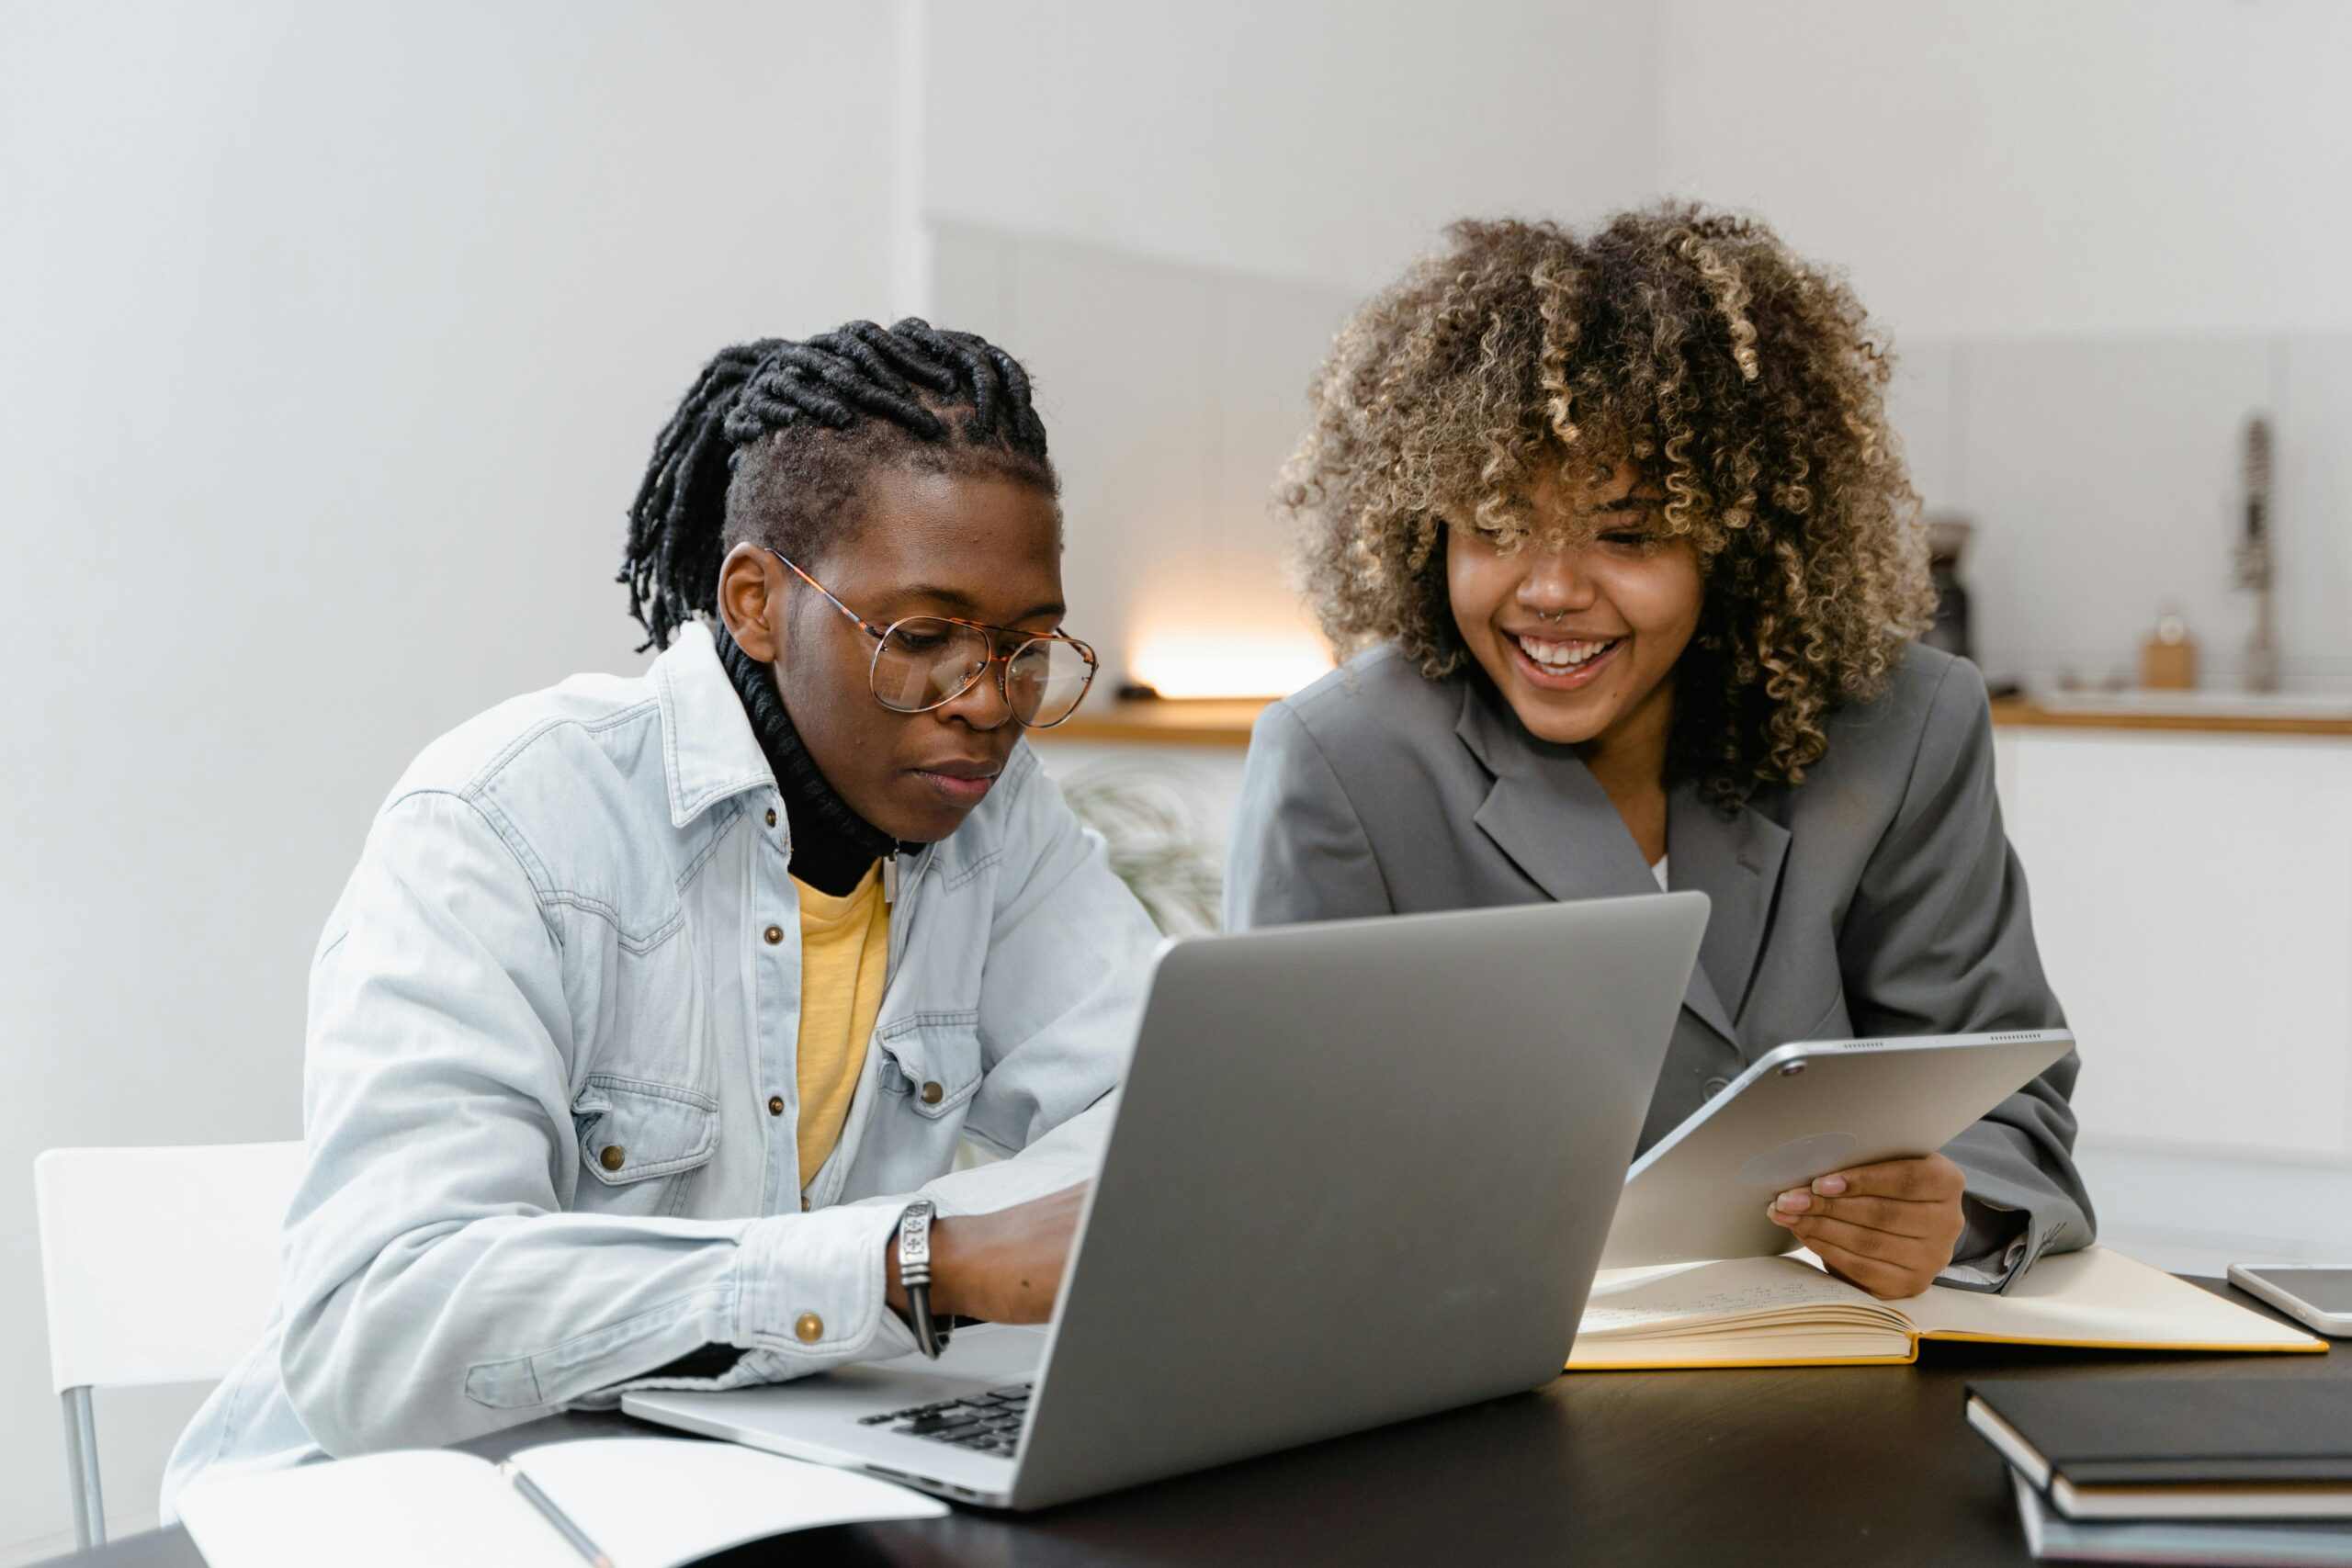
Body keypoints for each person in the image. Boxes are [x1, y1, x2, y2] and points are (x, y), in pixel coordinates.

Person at [164, 320, 1159, 1508]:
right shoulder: (505, 817)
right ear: (755, 600)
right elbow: (380, 1323)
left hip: (748, 1489)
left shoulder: (994, 820)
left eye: (1026, 643)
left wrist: (941, 1259)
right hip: (404, 1510)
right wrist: (909, 1266)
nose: (987, 700)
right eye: (924, 637)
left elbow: (1157, 1120)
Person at [1226, 209, 2091, 1300]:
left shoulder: (1905, 729)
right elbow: (1275, 1172)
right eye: (1494, 524)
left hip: (1832, 1372)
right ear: (1422, 526)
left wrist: (1947, 1208)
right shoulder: (1339, 765)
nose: (1549, 590)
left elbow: (2008, 1098)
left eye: (1626, 534)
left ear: (1734, 538)